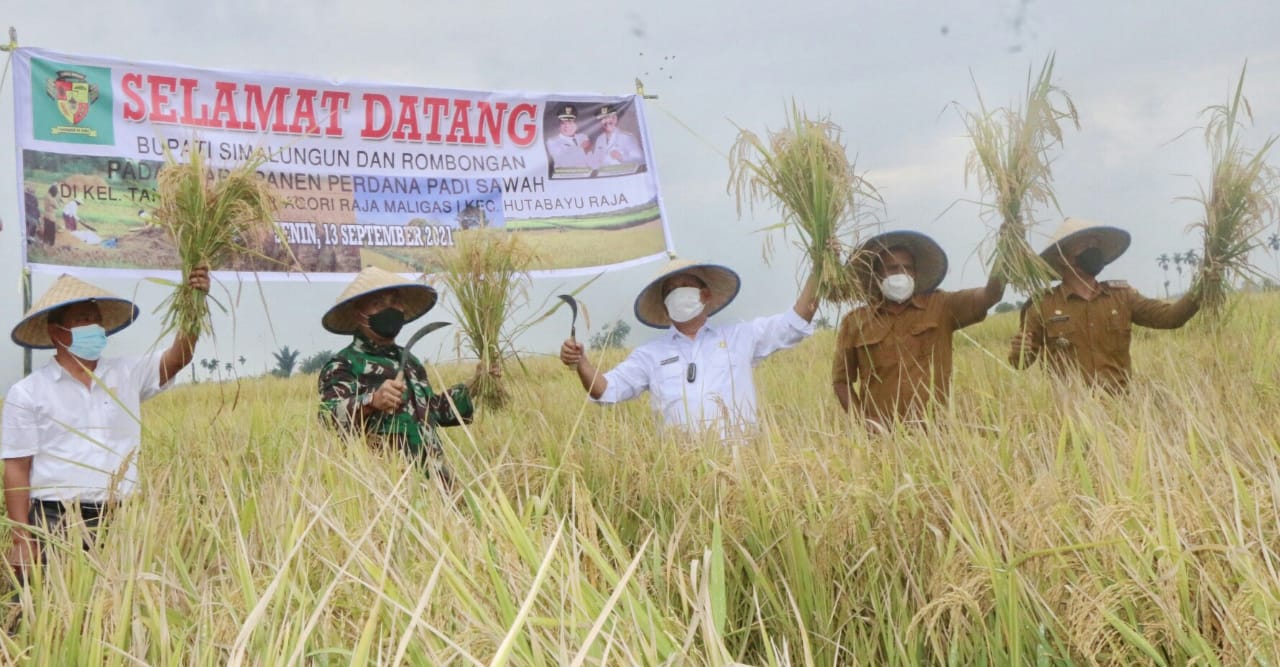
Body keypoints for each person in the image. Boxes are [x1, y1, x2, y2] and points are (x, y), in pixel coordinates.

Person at [1, 269, 209, 575]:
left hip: (121, 518)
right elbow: (17, 468)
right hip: (56, 520)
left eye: (97, 319)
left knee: (117, 609)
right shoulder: (28, 393)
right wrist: (22, 537)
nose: (94, 327)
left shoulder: (126, 373)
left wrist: (195, 302)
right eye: (84, 319)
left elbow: (179, 357)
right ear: (57, 332)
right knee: (51, 612)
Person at [559, 258, 818, 437]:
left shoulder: (740, 336)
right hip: (682, 471)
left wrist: (821, 269)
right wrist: (581, 362)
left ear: (705, 295)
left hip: (743, 468)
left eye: (684, 286)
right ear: (664, 306)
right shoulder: (651, 355)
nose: (676, 292)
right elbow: (606, 390)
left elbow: (794, 323)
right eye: (669, 290)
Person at [317, 266, 496, 485]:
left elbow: (435, 410)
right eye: (378, 303)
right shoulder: (344, 364)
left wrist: (477, 383)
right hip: (386, 486)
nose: (389, 309)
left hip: (436, 481)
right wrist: (372, 401)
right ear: (358, 314)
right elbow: (328, 416)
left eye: (394, 302)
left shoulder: (410, 361)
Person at [831, 231, 1005, 430]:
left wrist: (1006, 252)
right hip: (881, 438)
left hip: (936, 433)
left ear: (915, 273)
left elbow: (991, 295)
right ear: (877, 274)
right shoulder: (855, 322)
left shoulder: (942, 306)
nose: (901, 274)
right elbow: (841, 381)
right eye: (892, 269)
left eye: (907, 268)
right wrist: (864, 422)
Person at [1009, 218, 1203, 390]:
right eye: (1085, 245)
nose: (1094, 250)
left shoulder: (1122, 297)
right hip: (1069, 413)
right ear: (1063, 258)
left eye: (1096, 245)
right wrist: (1019, 351)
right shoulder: (1042, 305)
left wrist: (1203, 285)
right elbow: (1021, 363)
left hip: (1121, 408)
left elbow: (1171, 318)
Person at [589, 104, 644, 169]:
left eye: (608, 118)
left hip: (622, 174)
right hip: (604, 175)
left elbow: (640, 159)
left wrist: (622, 157)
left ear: (615, 119)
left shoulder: (626, 137)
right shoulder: (599, 139)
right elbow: (596, 161)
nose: (606, 121)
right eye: (603, 119)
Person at [544, 104, 593, 172]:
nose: (566, 126)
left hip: (586, 177)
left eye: (570, 122)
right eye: (563, 123)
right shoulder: (552, 141)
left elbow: (591, 162)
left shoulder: (583, 137)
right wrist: (582, 148)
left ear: (576, 124)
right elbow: (564, 162)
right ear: (559, 126)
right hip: (564, 177)